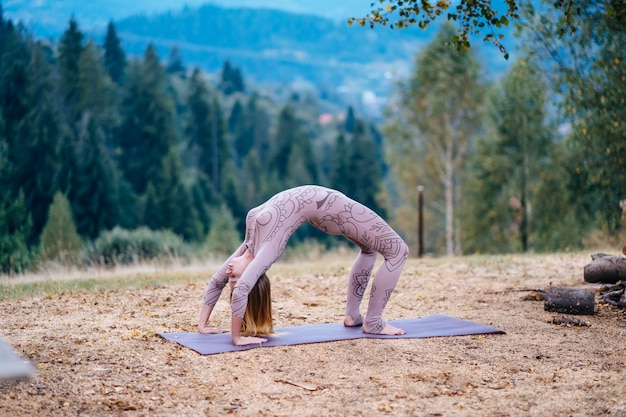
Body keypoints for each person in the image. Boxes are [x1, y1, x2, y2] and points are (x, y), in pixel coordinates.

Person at [198, 185, 409, 346]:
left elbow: (218, 280)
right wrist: (236, 338)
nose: (230, 274)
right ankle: (373, 322)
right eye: (235, 278)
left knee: (369, 249)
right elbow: (243, 289)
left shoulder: (249, 245)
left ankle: (353, 316)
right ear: (255, 276)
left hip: (325, 206)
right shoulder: (267, 251)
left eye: (232, 279)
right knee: (398, 250)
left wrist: (203, 326)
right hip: (331, 207)